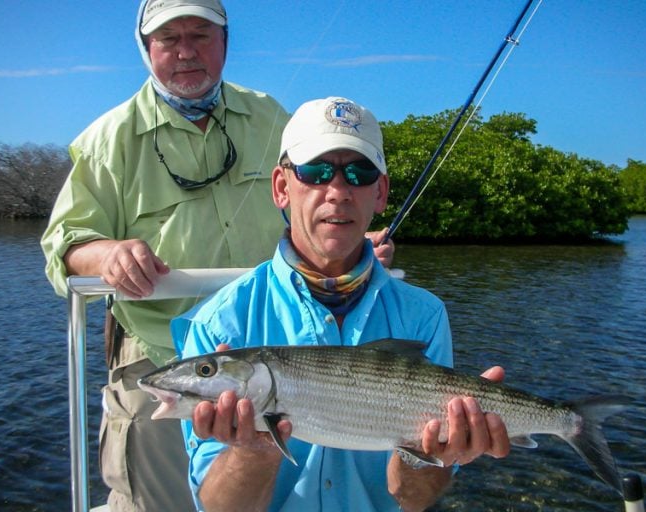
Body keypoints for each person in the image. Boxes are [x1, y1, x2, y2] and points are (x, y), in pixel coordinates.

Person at [40, 1, 392, 511]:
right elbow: (63, 247)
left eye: (201, 35)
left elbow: (314, 201)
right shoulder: (106, 141)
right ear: (146, 49)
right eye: (168, 39)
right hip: (163, 356)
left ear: (226, 42)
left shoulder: (272, 117)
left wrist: (348, 240)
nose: (186, 52)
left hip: (278, 352)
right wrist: (106, 255)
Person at [171, 96, 511, 512]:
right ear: (281, 187)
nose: (337, 192)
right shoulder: (219, 324)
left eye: (358, 172)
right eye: (315, 172)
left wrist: (434, 454)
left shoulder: (425, 315)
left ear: (381, 192)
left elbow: (414, 500)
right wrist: (253, 451)